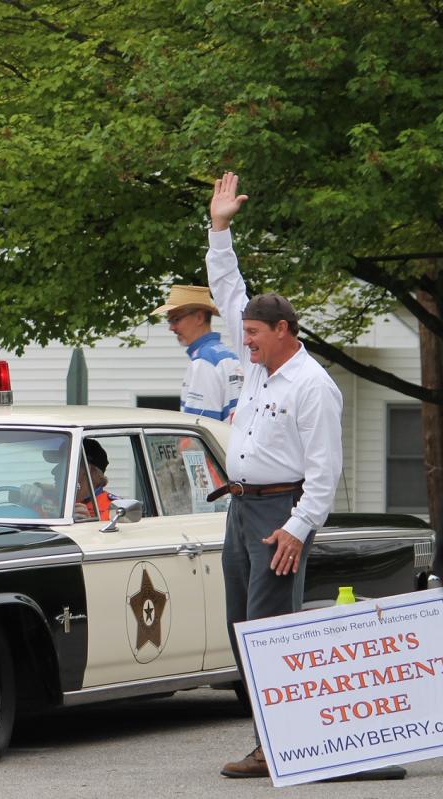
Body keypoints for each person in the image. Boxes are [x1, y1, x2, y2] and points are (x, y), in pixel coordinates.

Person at [204, 172, 343, 779]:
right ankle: (277, 734)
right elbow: (226, 287)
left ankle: (277, 744)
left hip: (280, 515)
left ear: (284, 331)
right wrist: (219, 228)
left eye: (255, 335)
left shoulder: (313, 385)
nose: (246, 342)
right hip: (241, 509)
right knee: (243, 626)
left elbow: (325, 470)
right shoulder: (260, 364)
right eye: (247, 335)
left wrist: (297, 528)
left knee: (270, 628)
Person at [152, 285, 244, 421]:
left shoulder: (204, 361)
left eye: (176, 319)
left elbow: (198, 426)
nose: (171, 328)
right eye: (169, 321)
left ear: (200, 318)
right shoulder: (228, 356)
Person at [20, 439, 112, 520]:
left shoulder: (115, 510)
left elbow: (114, 538)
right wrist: (28, 496)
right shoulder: (48, 498)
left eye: (63, 464)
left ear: (84, 470)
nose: (54, 471)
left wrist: (88, 526)